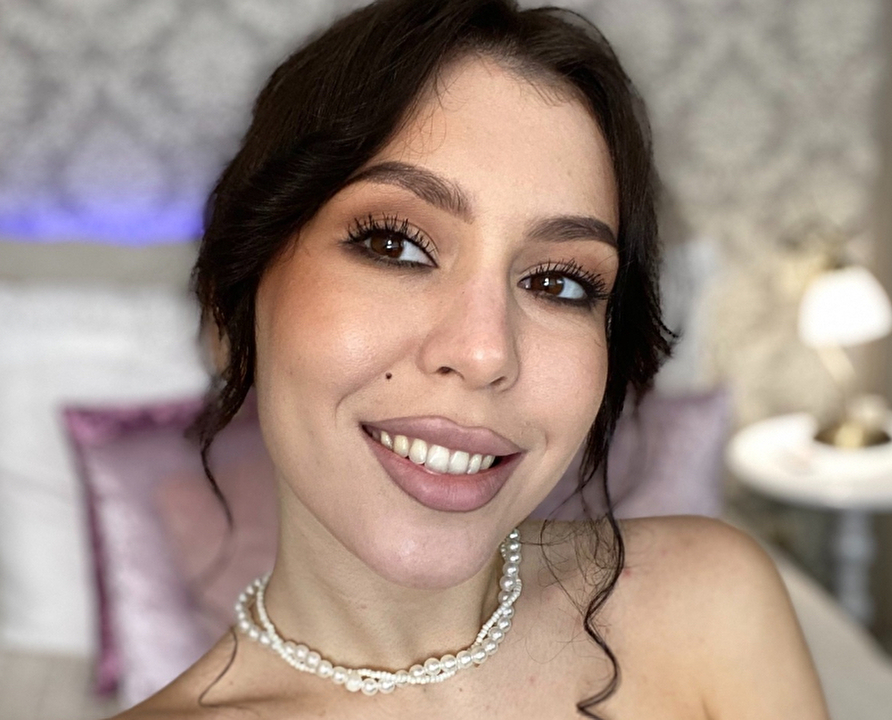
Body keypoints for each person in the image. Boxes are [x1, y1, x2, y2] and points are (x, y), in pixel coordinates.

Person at [118, 0, 829, 717]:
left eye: (558, 283)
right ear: (230, 310)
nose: (485, 352)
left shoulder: (714, 604)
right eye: (395, 244)